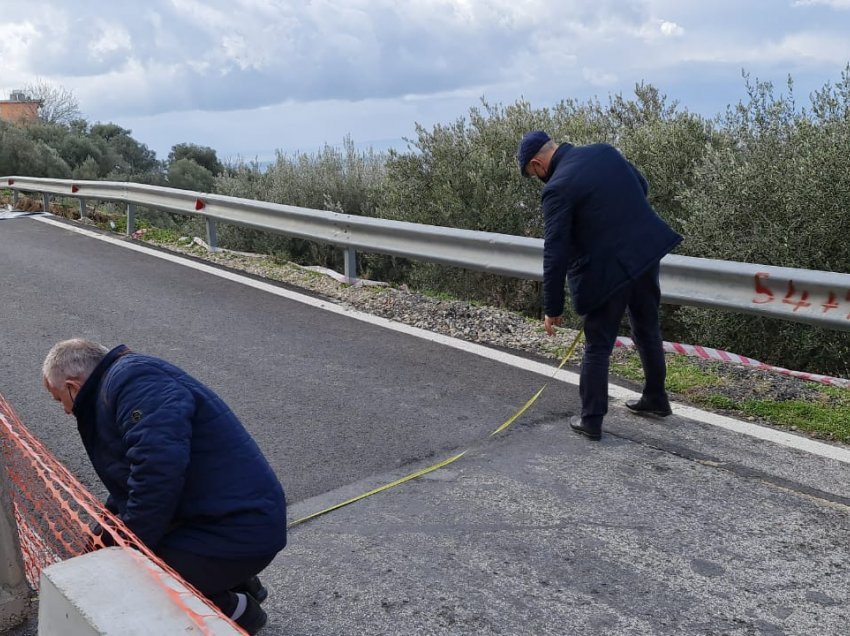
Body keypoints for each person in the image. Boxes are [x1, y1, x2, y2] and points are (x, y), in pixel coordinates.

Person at [42, 339, 287, 634]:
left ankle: (239, 611)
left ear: (73, 386)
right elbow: (132, 477)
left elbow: (156, 474)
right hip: (213, 517)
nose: (66, 411)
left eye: (60, 400)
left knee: (139, 581)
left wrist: (130, 551)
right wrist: (107, 530)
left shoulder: (135, 382)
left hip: (241, 525)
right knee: (104, 544)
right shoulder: (118, 385)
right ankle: (232, 579)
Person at [517, 131, 683, 441]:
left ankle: (591, 419)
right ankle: (657, 399)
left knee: (597, 343)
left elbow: (556, 251)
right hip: (644, 252)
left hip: (607, 269)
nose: (536, 178)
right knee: (647, 327)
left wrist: (552, 307)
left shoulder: (556, 188)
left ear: (538, 163)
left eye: (532, 174)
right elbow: (642, 186)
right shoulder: (605, 151)